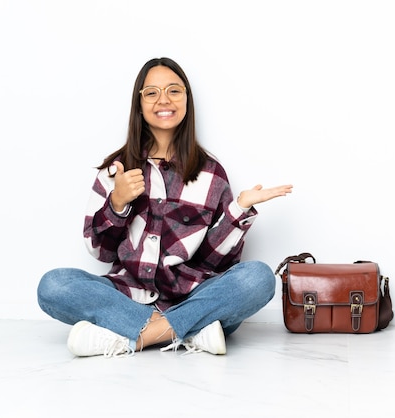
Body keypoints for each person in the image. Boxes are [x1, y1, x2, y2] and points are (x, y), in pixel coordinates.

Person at [37, 57, 293, 358]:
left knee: (258, 278)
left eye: (174, 91)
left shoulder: (211, 173)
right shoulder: (114, 171)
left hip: (192, 297)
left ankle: (131, 335)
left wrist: (239, 210)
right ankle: (189, 332)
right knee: (53, 285)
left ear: (186, 100)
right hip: (126, 295)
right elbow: (100, 253)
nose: (163, 100)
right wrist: (117, 203)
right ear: (140, 103)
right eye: (152, 92)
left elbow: (216, 265)